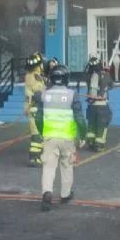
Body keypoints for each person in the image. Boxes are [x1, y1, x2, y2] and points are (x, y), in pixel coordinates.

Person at [33, 64, 86, 212]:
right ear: (66, 79)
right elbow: (79, 118)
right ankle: (65, 194)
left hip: (49, 137)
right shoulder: (71, 95)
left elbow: (38, 117)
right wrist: (82, 134)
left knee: (48, 167)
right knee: (67, 165)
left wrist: (43, 132)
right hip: (67, 139)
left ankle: (47, 193)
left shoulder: (44, 95)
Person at [84, 55, 114, 151]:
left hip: (92, 106)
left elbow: (92, 89)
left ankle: (91, 141)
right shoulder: (106, 75)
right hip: (102, 105)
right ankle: (99, 144)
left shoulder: (89, 77)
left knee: (91, 124)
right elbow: (111, 85)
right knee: (102, 124)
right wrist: (107, 73)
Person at [24, 53, 47, 166]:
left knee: (38, 134)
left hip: (33, 108)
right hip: (35, 108)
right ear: (38, 65)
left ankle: (37, 156)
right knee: (37, 135)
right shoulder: (36, 77)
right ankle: (34, 158)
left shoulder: (29, 75)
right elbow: (39, 94)